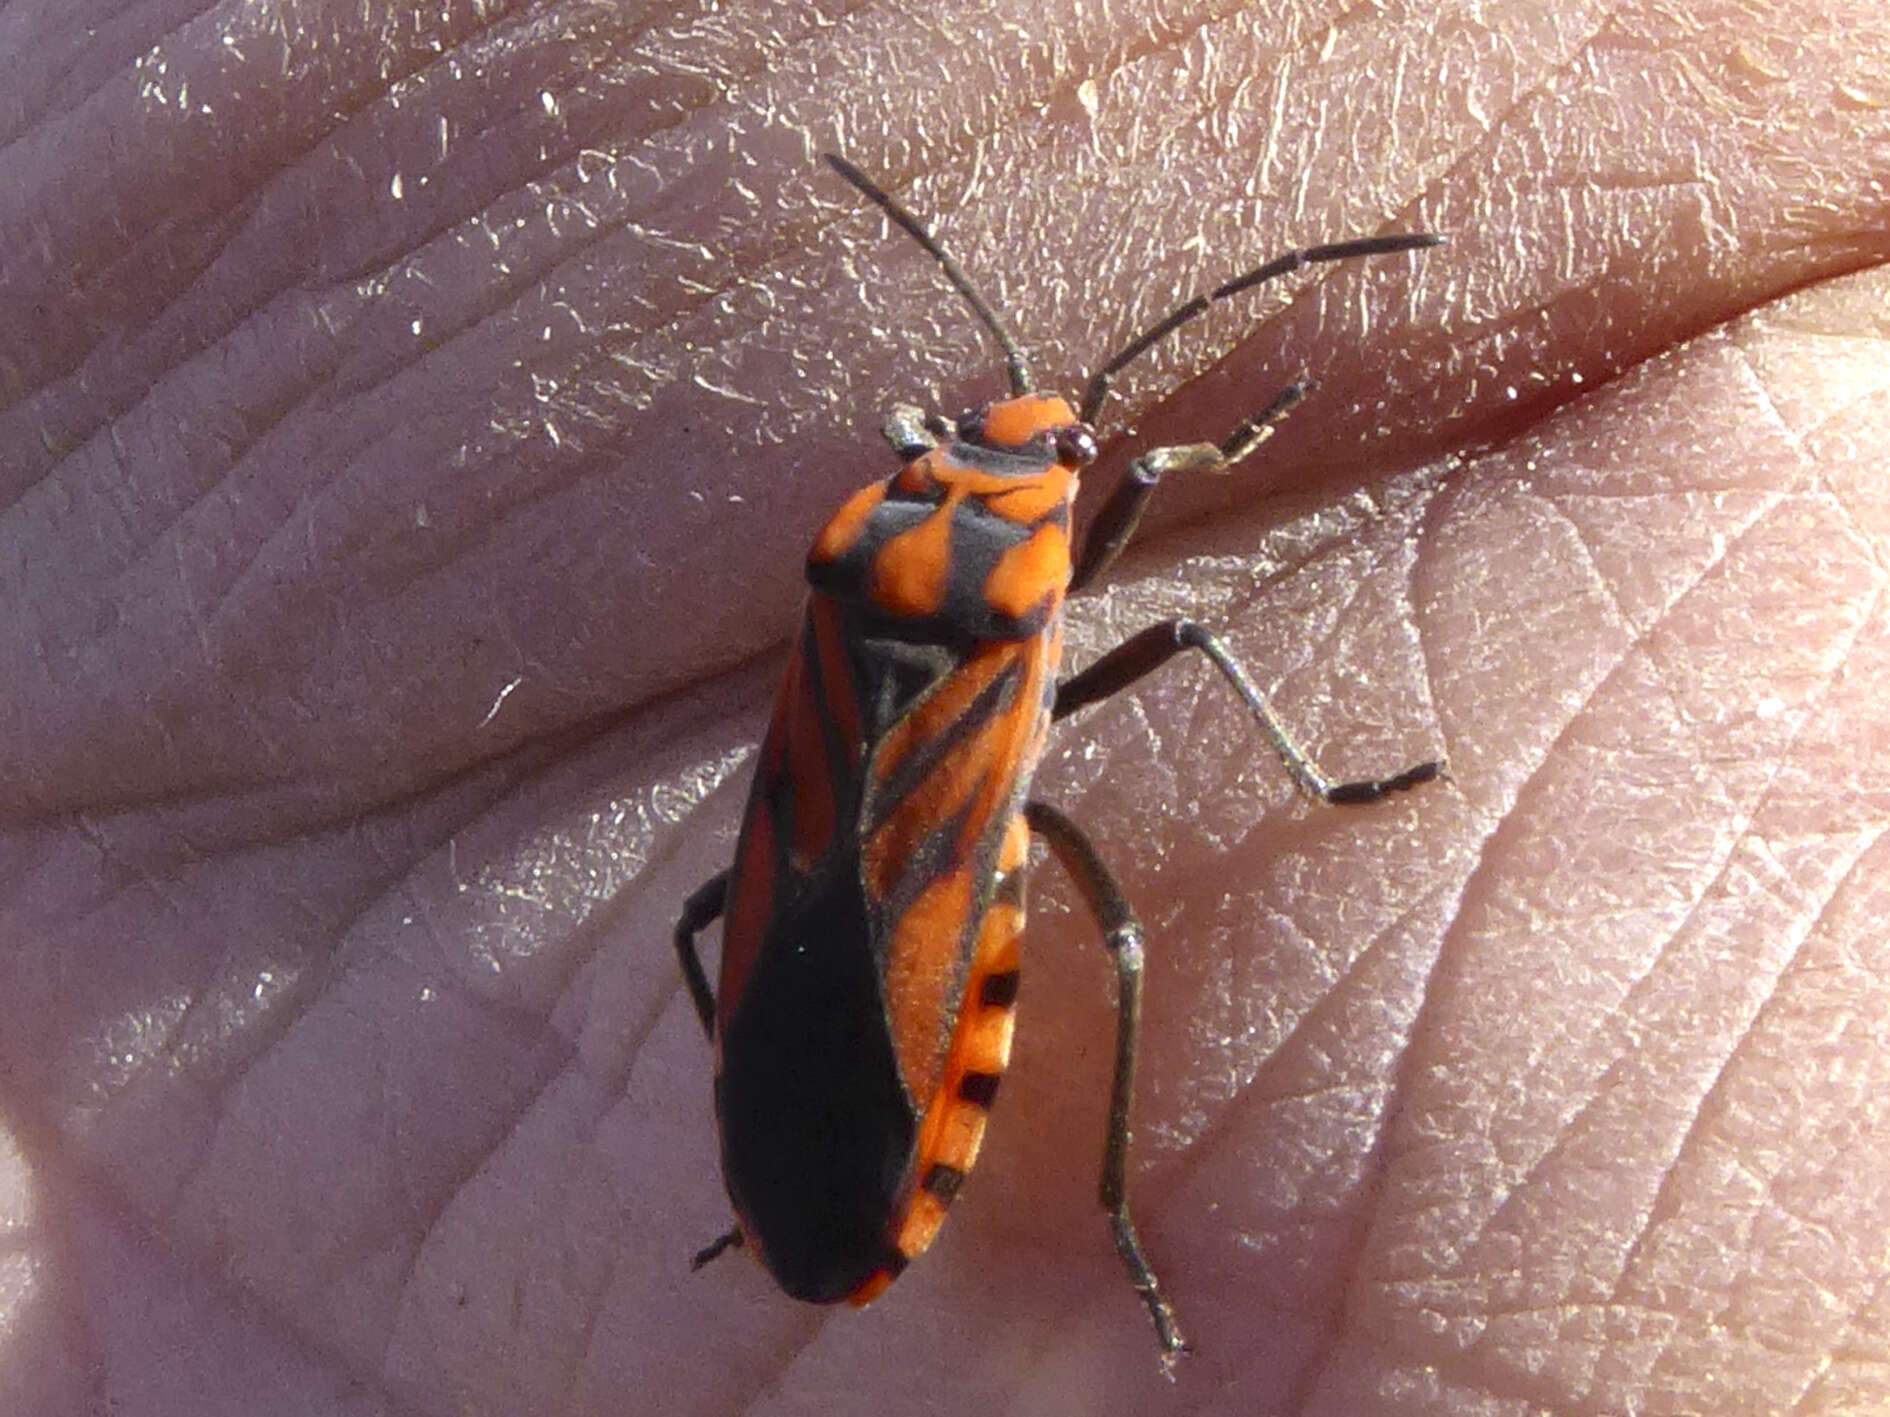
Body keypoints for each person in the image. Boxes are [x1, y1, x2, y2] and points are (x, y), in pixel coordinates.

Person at [1, 5, 1885, 1412]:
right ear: (1021, 500)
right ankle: (1100, 1214)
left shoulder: (862, 572)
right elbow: (1145, 525)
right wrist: (1223, 469)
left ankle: (781, 1197)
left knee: (707, 917)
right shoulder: (1012, 563)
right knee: (1125, 941)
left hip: (836, 893)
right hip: (926, 913)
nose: (1042, 452)